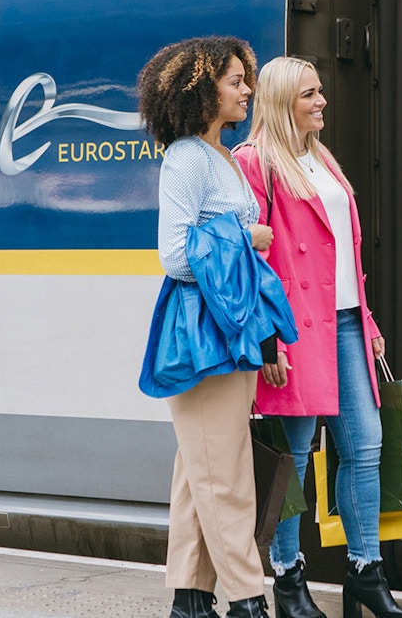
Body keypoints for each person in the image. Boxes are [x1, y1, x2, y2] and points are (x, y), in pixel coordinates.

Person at [233, 57, 402, 618]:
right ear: (285, 101)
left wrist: (368, 320)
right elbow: (254, 259)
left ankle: (366, 573)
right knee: (293, 457)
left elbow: (345, 255)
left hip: (343, 323)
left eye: (321, 93)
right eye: (310, 95)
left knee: (364, 445)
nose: (322, 103)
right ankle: (289, 582)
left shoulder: (321, 159)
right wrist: (272, 342)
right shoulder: (256, 162)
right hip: (295, 330)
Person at [138, 36, 275, 618]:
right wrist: (249, 238)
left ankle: (191, 602)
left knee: (202, 474)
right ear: (201, 88)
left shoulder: (224, 156)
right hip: (201, 335)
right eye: (235, 80)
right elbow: (173, 255)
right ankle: (247, 600)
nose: (247, 90)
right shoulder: (187, 158)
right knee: (226, 478)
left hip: (231, 328)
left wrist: (266, 336)